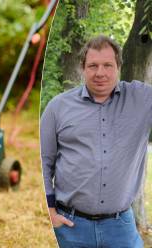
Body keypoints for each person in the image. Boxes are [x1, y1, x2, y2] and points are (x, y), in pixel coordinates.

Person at [40, 35, 149, 247]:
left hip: (121, 228)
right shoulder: (58, 107)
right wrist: (49, 212)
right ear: (83, 68)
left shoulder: (142, 100)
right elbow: (42, 162)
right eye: (93, 66)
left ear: (118, 66)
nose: (100, 73)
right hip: (70, 227)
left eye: (108, 65)